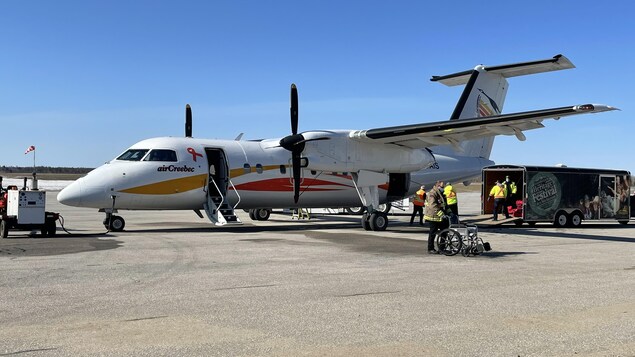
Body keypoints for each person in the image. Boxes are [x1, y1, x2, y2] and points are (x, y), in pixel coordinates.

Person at [424, 181, 448, 253]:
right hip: (433, 216)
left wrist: (449, 212)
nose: (443, 188)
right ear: (438, 186)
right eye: (442, 187)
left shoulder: (440, 193)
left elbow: (444, 204)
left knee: (444, 231)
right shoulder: (432, 193)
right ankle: (430, 248)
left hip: (440, 216)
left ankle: (442, 248)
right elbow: (432, 206)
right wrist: (441, 214)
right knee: (433, 233)